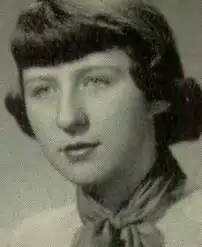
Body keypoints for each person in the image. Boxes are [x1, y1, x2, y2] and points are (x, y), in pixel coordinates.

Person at [4, 0, 202, 246]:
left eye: (96, 81)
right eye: (43, 89)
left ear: (156, 94)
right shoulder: (29, 240)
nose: (67, 117)